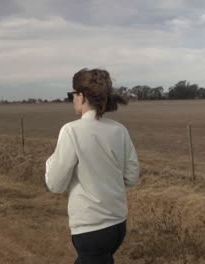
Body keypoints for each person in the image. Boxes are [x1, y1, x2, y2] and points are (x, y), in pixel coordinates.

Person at [45, 68, 139, 264]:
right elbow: (131, 177)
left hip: (91, 227)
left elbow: (55, 184)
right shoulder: (119, 130)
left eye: (73, 94)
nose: (72, 99)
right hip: (118, 225)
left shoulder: (71, 130)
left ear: (82, 95)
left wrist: (50, 162)